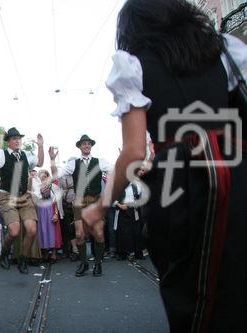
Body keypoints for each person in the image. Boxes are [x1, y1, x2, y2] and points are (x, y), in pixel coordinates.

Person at [82, 0, 247, 331]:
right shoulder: (225, 50)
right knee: (236, 285)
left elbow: (132, 152)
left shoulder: (134, 64)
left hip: (181, 181)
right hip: (237, 173)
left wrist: (99, 208)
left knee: (189, 291)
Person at [0, 125, 44, 274]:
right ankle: (5, 251)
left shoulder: (26, 154)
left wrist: (40, 146)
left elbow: (39, 162)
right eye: (14, 138)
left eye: (19, 138)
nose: (17, 141)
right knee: (14, 231)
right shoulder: (1, 154)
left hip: (24, 197)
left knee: (32, 230)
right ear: (8, 141)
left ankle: (23, 259)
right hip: (7, 196)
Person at [49, 135, 111, 277]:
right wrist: (52, 160)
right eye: (83, 144)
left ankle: (98, 263)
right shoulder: (73, 164)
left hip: (95, 201)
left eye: (88, 143)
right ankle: (83, 262)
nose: (86, 146)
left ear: (91, 146)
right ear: (79, 147)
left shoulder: (100, 162)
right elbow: (55, 175)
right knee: (79, 234)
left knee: (99, 234)